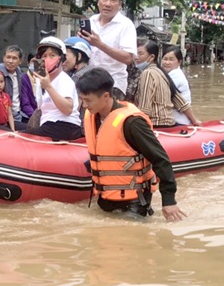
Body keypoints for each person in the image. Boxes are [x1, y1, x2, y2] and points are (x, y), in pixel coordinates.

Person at [76, 67, 187, 222]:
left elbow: (160, 159)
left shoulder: (132, 123)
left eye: (88, 100)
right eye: (82, 99)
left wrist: (169, 200)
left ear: (106, 96)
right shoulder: (92, 116)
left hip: (134, 201)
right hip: (105, 198)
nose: (84, 105)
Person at [79, 0, 137, 99]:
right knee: (88, 116)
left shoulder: (126, 24)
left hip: (113, 84)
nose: (107, 4)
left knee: (111, 117)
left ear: (120, 5)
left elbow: (128, 58)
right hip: (89, 82)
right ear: (98, 2)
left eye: (113, 0)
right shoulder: (91, 21)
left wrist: (99, 44)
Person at [24, 36, 83, 141]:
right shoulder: (41, 81)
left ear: (61, 59)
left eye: (52, 55)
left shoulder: (64, 79)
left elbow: (68, 109)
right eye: (44, 56)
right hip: (48, 125)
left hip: (64, 126)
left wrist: (48, 87)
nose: (47, 59)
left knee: (24, 136)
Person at [135, 39, 201, 129]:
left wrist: (139, 128)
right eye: (135, 53)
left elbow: (145, 107)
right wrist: (195, 121)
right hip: (170, 122)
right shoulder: (162, 73)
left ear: (151, 57)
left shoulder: (148, 73)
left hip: (157, 124)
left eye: (140, 54)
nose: (136, 57)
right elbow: (179, 101)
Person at [0, 45, 29, 123]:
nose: (10, 61)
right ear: (3, 58)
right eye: (8, 57)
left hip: (20, 114)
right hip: (4, 117)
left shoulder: (19, 72)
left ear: (20, 61)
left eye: (14, 58)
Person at [160, 46, 194, 126]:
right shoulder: (167, 74)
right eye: (165, 59)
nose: (167, 62)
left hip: (178, 121)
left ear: (179, 62)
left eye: (171, 59)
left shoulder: (176, 75)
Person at [20, 52, 39, 120]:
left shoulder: (45, 79)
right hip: (27, 116)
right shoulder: (23, 79)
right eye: (33, 61)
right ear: (28, 63)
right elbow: (25, 103)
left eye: (38, 62)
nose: (35, 64)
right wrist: (36, 118)